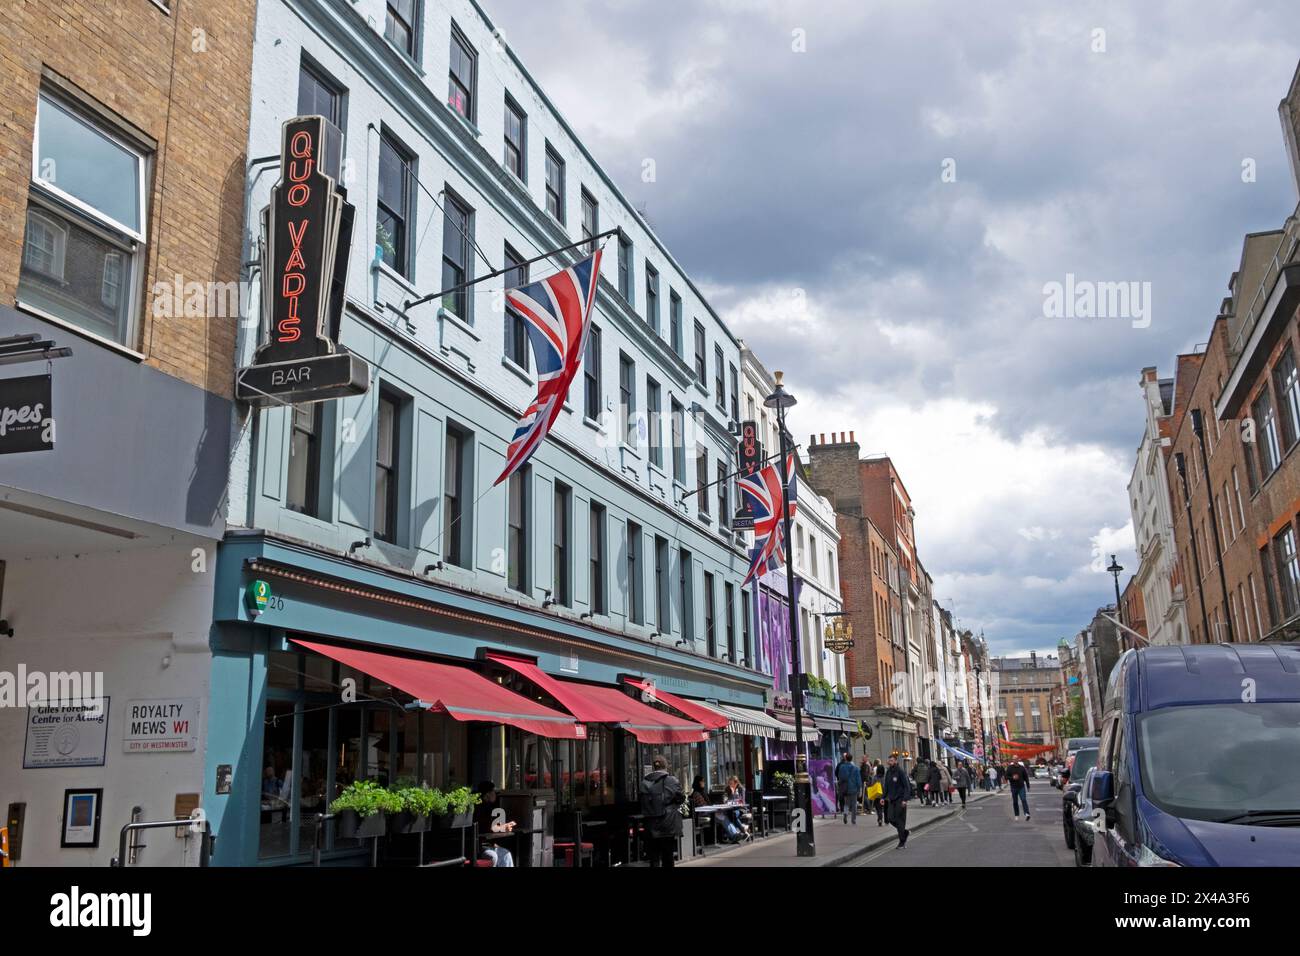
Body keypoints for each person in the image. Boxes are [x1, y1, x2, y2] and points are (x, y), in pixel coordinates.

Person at [640, 755, 686, 866]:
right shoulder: (672, 780)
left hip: (650, 825)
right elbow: (681, 797)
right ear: (666, 767)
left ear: (654, 767)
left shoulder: (644, 782)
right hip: (668, 824)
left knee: (654, 857)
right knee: (668, 855)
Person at [472, 781, 515, 867]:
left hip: (488, 845)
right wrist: (503, 828)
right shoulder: (479, 807)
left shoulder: (489, 806)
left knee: (506, 855)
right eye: (494, 792)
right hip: (478, 847)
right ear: (487, 794)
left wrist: (503, 827)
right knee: (493, 856)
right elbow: (487, 827)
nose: (496, 794)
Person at [883, 754, 912, 848]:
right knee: (890, 818)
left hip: (900, 799)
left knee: (900, 820)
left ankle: (902, 842)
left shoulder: (900, 771)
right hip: (891, 799)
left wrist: (905, 799)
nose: (890, 762)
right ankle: (904, 832)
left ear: (895, 761)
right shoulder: (888, 772)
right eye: (889, 760)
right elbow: (886, 786)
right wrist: (883, 798)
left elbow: (907, 786)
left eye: (892, 760)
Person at [835, 751, 862, 824]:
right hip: (854, 788)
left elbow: (840, 778)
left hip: (845, 788)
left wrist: (840, 786)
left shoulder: (842, 767)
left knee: (846, 803)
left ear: (845, 758)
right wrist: (860, 789)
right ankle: (853, 820)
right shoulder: (856, 768)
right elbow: (858, 780)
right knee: (854, 805)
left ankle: (845, 814)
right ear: (851, 759)